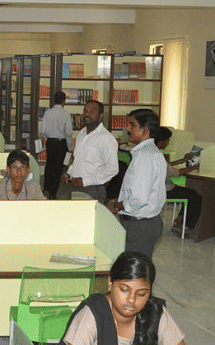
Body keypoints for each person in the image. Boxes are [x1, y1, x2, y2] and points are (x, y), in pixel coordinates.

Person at [51, 251, 194, 345]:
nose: (131, 300)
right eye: (124, 290)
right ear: (110, 283)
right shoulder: (93, 314)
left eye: (141, 294)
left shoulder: (155, 313)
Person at [107, 109, 166, 258]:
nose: (128, 128)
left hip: (139, 225)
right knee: (137, 267)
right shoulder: (152, 152)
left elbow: (139, 198)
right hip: (145, 222)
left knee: (134, 268)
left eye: (132, 125)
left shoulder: (144, 156)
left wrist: (117, 205)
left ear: (145, 130)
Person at [62, 100, 118, 203]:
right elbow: (78, 159)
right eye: (85, 111)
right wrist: (69, 173)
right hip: (74, 185)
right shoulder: (81, 134)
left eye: (92, 111)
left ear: (101, 116)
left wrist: (85, 181)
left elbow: (112, 169)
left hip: (93, 189)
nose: (87, 114)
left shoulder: (106, 138)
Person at [155, 128, 202, 237]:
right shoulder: (157, 155)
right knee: (195, 197)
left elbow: (167, 166)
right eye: (167, 140)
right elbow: (176, 173)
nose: (168, 143)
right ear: (161, 140)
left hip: (160, 188)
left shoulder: (153, 153)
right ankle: (187, 226)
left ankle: (179, 220)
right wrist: (195, 167)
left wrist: (182, 160)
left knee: (189, 194)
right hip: (164, 190)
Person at [39, 91, 74, 199]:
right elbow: (68, 132)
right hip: (61, 143)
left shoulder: (48, 113)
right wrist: (70, 146)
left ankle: (46, 189)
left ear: (54, 100)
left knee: (49, 165)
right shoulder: (66, 114)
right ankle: (53, 193)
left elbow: (42, 130)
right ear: (64, 101)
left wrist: (43, 138)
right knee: (58, 168)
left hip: (50, 142)